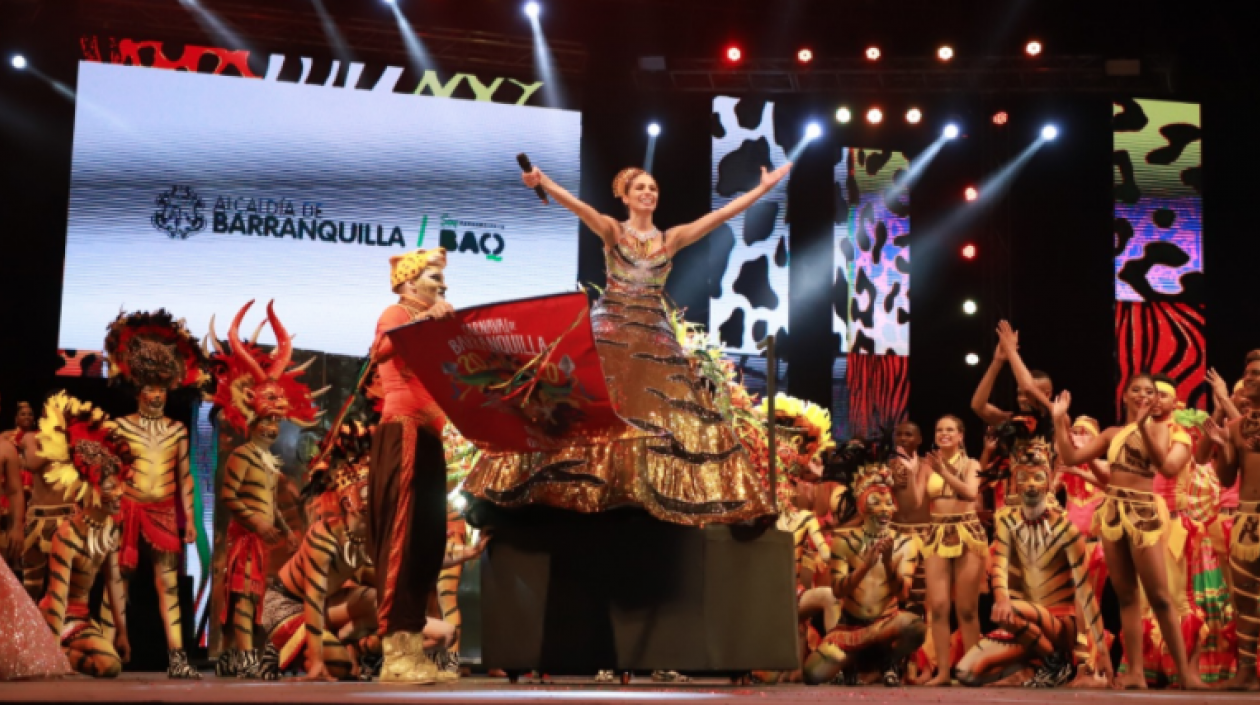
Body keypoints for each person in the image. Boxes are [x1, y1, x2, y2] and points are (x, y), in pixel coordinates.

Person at [462, 161, 791, 525]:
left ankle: (643, 491)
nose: (648, 193)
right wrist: (543, 182)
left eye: (653, 188)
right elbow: (576, 205)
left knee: (668, 413)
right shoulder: (612, 230)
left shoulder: (672, 238)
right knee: (589, 402)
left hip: (653, 333)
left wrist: (763, 190)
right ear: (626, 197)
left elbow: (723, 213)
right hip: (611, 329)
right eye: (640, 189)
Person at [1039, 372, 1208, 689]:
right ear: (1126, 396)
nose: (1144, 396)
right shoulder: (1112, 433)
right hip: (1113, 512)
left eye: (1150, 392)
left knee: (1160, 597)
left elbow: (1167, 467)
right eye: (1137, 390)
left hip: (1144, 513)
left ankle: (1185, 673)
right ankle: (1136, 674)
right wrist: (1059, 421)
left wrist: (1143, 428)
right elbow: (1073, 456)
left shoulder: (1167, 431)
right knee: (1126, 597)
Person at [98, 309, 208, 679]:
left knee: (170, 585)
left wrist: (190, 518)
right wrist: (110, 495)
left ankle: (178, 657)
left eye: (162, 390)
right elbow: (107, 471)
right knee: (117, 579)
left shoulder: (178, 430)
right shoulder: (117, 427)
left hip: (162, 510)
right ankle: (106, 648)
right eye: (150, 390)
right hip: (126, 508)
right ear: (138, 391)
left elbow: (184, 477)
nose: (157, 396)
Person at [210, 301, 317, 679]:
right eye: (267, 420)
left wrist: (287, 533)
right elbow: (228, 496)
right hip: (244, 537)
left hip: (262, 540)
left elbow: (271, 502)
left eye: (276, 422)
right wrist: (255, 521)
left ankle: (242, 654)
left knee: (253, 598)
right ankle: (241, 656)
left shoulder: (268, 462)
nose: (273, 428)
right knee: (240, 596)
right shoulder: (241, 455)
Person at [956, 439, 1114, 688]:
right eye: (1024, 479)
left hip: (1059, 624)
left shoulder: (1066, 531)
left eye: (1038, 478)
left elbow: (1086, 594)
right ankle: (1036, 665)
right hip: (1021, 624)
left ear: (1049, 482)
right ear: (1015, 484)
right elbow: (999, 570)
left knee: (1013, 609)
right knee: (967, 673)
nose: (1030, 485)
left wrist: (1099, 652)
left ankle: (1057, 659)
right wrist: (1003, 600)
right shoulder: (1007, 525)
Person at [368, 247, 455, 684]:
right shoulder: (397, 312)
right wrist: (428, 319)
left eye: (443, 280)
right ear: (407, 283)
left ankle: (413, 649)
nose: (442, 285)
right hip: (402, 431)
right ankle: (394, 654)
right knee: (402, 542)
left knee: (426, 545)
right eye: (434, 277)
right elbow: (379, 350)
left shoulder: (433, 324)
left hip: (430, 436)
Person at [34, 393, 133, 678]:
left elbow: (114, 582)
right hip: (56, 618)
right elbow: (56, 597)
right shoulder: (67, 534)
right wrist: (51, 650)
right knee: (109, 664)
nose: (119, 494)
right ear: (91, 489)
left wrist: (122, 632)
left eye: (120, 485)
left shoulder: (109, 530)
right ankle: (56, 652)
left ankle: (66, 654)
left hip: (81, 619)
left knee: (110, 665)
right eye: (111, 488)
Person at [803, 463, 925, 686]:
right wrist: (865, 566)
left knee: (914, 626)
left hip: (885, 624)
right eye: (875, 502)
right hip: (850, 628)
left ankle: (887, 660)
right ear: (861, 507)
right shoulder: (845, 542)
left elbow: (904, 595)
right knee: (814, 674)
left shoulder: (906, 543)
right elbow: (838, 591)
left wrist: (888, 563)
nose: (884, 509)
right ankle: (859, 660)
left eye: (888, 503)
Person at [1202, 380, 1260, 690]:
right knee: (1245, 600)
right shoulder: (1238, 426)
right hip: (1248, 520)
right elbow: (1226, 480)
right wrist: (1224, 444)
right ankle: (1247, 672)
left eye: (1257, 374)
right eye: (1248, 374)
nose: (1250, 379)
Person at [920, 415, 985, 686]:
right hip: (937, 532)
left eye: (950, 430)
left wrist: (944, 472)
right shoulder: (926, 467)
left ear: (961, 436)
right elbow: (916, 502)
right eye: (939, 430)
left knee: (967, 608)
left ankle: (972, 670)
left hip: (967, 531)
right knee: (938, 606)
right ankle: (943, 672)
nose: (943, 434)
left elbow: (970, 493)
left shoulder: (972, 464)